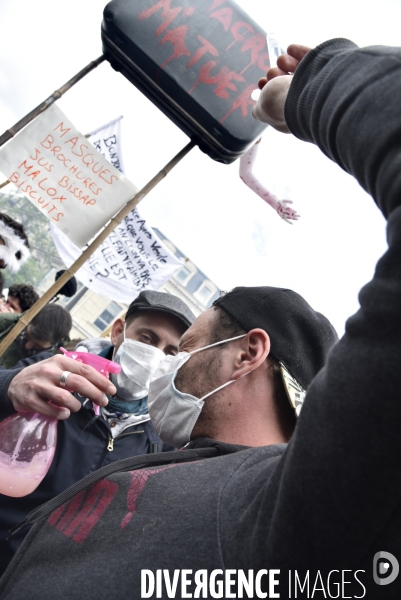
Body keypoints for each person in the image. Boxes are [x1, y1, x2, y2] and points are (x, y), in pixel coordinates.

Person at [1, 37, 400, 599]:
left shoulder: (295, 515)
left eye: (184, 345)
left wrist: (316, 88)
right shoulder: (174, 467)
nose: (166, 363)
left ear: (246, 354)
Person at [0, 290, 195, 576]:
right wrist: (9, 386)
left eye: (170, 352)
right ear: (118, 332)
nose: (155, 357)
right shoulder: (54, 373)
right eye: (147, 339)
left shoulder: (161, 442)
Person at [0, 304, 72, 369]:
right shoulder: (7, 321)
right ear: (31, 320)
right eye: (28, 336)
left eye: (37, 345)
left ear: (56, 341)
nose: (27, 346)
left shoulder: (58, 363)